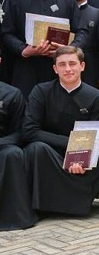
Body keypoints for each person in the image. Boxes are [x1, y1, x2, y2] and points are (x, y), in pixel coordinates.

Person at [22, 46, 99, 216]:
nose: (68, 69)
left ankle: (75, 206)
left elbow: (96, 137)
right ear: (55, 69)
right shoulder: (41, 91)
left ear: (82, 66)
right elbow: (29, 131)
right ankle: (44, 207)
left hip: (82, 152)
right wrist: (69, 143)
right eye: (62, 65)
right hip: (50, 152)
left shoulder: (95, 96)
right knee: (35, 149)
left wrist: (80, 159)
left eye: (72, 63)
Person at [1, 0, 87, 98]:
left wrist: (69, 49)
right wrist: (23, 50)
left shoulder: (67, 0)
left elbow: (82, 31)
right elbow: (7, 32)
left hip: (57, 67)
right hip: (25, 67)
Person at [0, 63, 36, 230]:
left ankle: (15, 216)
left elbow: (19, 133)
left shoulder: (12, 94)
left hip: (3, 145)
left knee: (14, 154)